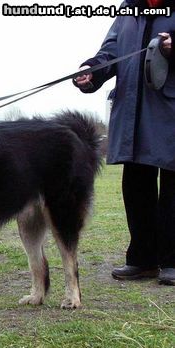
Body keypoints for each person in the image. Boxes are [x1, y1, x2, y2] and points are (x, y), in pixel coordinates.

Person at [74, 0, 175, 285]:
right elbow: (111, 52)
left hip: (171, 110)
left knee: (173, 188)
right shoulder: (128, 10)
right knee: (136, 186)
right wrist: (92, 70)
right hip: (132, 112)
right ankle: (143, 260)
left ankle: (172, 261)